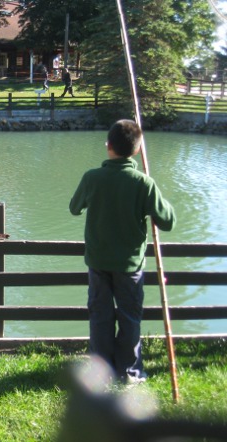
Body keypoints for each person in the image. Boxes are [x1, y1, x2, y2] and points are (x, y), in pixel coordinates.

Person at [69, 119, 176, 383]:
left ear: (108, 146)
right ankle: (129, 371)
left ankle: (101, 370)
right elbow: (168, 221)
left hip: (98, 261)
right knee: (129, 317)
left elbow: (74, 208)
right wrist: (154, 196)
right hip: (130, 265)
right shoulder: (144, 184)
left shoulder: (92, 178)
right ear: (138, 150)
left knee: (100, 315)